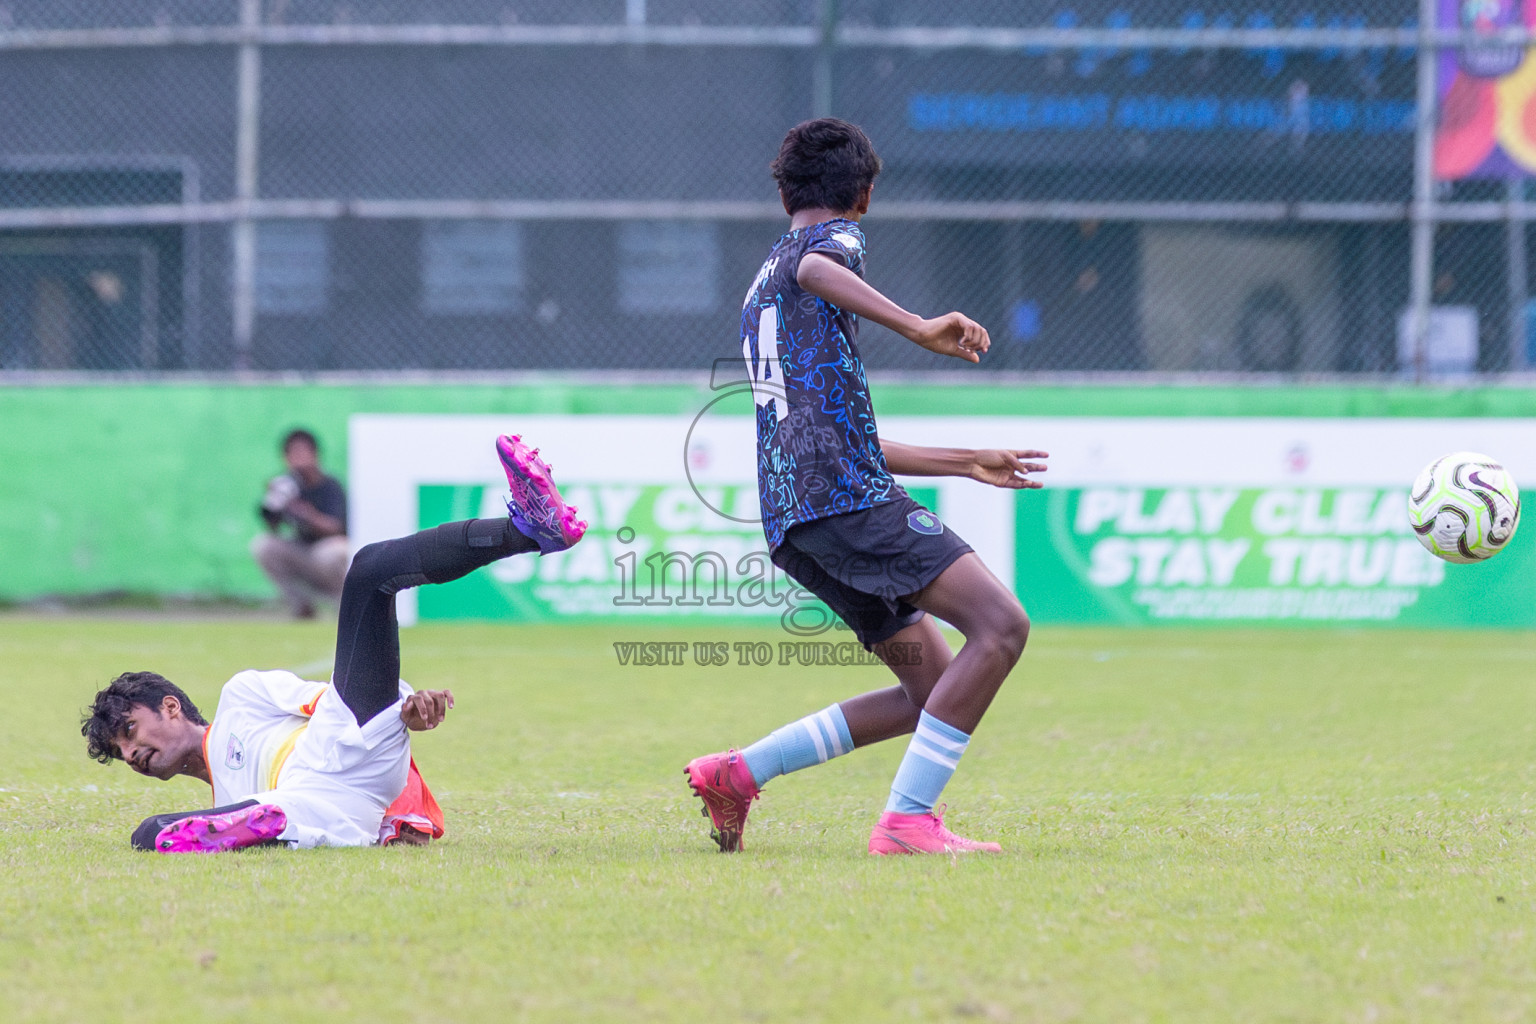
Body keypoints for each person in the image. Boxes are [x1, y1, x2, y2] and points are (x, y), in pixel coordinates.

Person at [684, 118, 1048, 856]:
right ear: (865, 194)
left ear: (786, 192)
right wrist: (916, 326)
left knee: (934, 692)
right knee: (1002, 627)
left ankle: (737, 773)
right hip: (846, 504)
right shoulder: (832, 245)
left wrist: (964, 459)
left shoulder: (765, 280)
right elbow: (824, 269)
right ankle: (908, 822)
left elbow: (838, 434)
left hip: (800, 516)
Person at [81, 434, 587, 853]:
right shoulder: (221, 798)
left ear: (170, 707)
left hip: (341, 749)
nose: (130, 752)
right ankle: (270, 827)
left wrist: (399, 713)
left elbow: (337, 700)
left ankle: (529, 528)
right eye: (120, 750)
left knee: (367, 570)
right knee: (154, 832)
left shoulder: (244, 694)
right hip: (315, 804)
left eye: (130, 730)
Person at [252, 428, 351, 619]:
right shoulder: (287, 485)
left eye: (303, 453)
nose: (299, 459)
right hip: (302, 551)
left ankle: (344, 604)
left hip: (327, 553)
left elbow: (336, 527)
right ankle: (302, 605)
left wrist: (305, 513)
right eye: (293, 454)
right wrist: (277, 504)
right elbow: (271, 526)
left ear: (315, 455)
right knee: (263, 545)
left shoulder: (329, 485)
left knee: (337, 550)